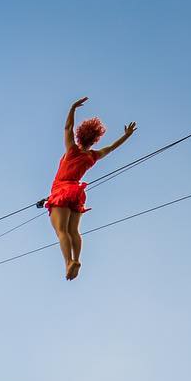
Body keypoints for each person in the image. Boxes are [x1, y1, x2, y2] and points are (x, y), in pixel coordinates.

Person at [44, 97, 136, 280]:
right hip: (77, 192)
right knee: (74, 231)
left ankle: (69, 262)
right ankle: (77, 259)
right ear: (95, 139)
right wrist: (126, 136)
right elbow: (111, 148)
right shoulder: (93, 156)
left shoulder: (72, 150)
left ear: (80, 135)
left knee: (61, 231)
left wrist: (72, 108)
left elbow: (67, 128)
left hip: (61, 190)